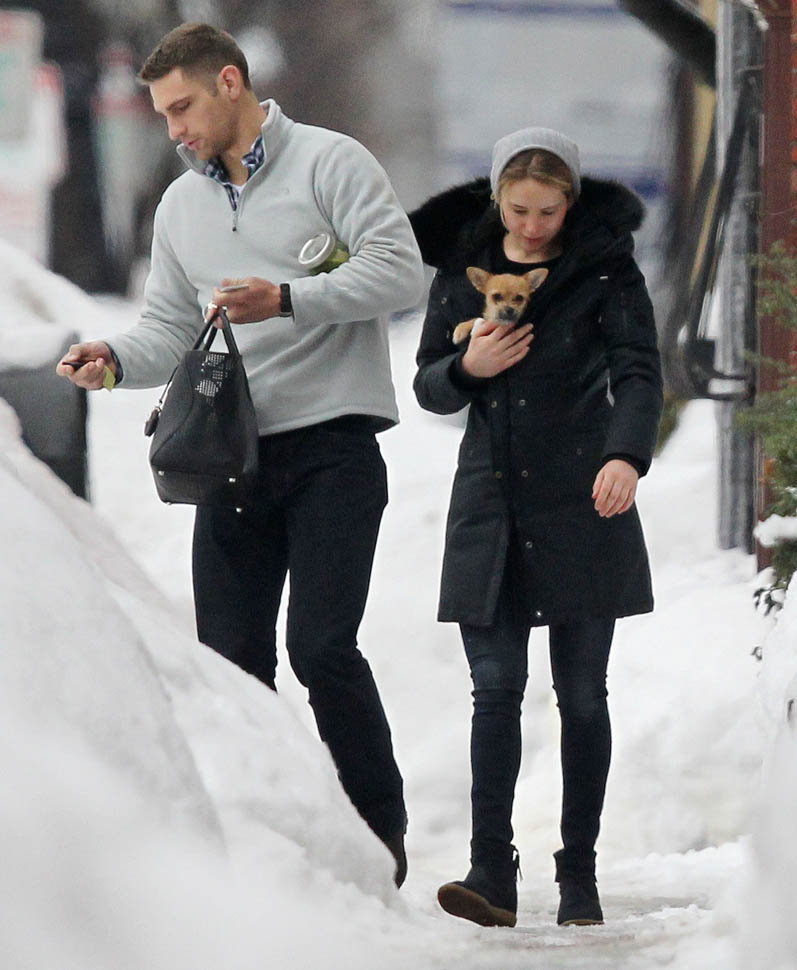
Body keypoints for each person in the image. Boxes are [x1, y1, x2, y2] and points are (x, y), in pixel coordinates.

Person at [57, 22, 425, 887]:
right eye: (163, 115)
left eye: (182, 107)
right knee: (229, 663)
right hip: (228, 456)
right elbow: (168, 329)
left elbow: (400, 273)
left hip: (333, 446)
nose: (175, 129)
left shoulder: (331, 164)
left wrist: (287, 298)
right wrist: (114, 359)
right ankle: (262, 849)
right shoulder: (180, 207)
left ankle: (379, 838)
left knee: (322, 649)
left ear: (230, 82)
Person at [410, 128, 663, 926]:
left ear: (569, 204)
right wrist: (466, 368)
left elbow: (638, 369)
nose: (530, 226)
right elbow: (428, 385)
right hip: (490, 502)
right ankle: (491, 870)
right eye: (517, 210)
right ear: (496, 200)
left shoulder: (604, 268)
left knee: (581, 695)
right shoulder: (462, 269)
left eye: (547, 212)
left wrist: (624, 455)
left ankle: (577, 874)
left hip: (584, 496)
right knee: (494, 691)